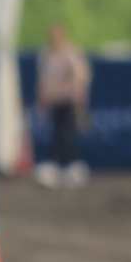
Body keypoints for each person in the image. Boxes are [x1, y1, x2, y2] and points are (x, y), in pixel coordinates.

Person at [37, 24, 93, 186]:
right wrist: (43, 98)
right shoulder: (46, 55)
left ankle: (72, 166)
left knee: (68, 133)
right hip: (54, 100)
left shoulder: (71, 53)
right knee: (56, 133)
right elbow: (44, 79)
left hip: (68, 100)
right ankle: (57, 167)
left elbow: (80, 76)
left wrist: (79, 96)